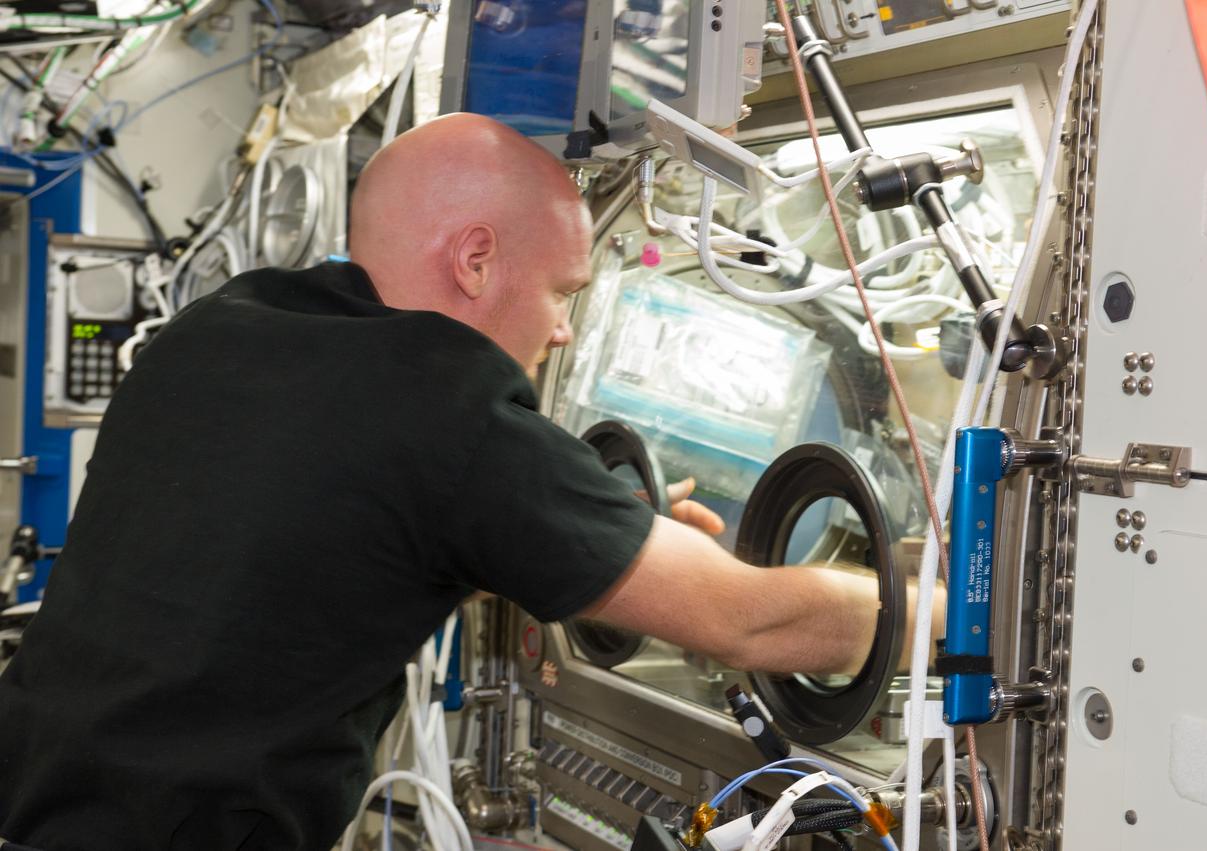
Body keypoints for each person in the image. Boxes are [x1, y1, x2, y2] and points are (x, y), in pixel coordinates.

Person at [0, 114, 941, 851]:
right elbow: (753, 621)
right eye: (563, 291)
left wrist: (614, 536)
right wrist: (948, 610)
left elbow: (342, 537)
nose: (565, 329)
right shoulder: (443, 400)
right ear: (477, 259)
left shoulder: (219, 328)